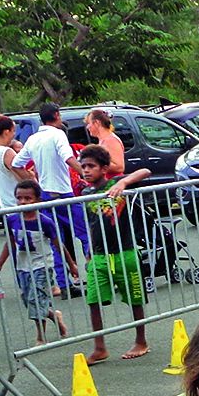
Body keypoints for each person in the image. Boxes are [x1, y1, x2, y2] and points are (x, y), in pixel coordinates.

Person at [75, 144, 152, 363]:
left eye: (92, 166)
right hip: (99, 255)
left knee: (135, 298)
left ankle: (141, 340)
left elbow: (145, 171)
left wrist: (123, 182)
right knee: (93, 300)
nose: (87, 170)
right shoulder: (85, 192)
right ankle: (99, 346)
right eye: (84, 166)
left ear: (104, 167)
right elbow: (92, 224)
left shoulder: (115, 185)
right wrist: (89, 252)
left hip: (124, 252)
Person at [0, 180, 76, 341]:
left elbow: (59, 245)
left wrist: (71, 265)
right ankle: (53, 315)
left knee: (36, 298)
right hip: (23, 266)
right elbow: (9, 244)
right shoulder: (12, 220)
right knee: (28, 299)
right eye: (19, 198)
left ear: (37, 200)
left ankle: (40, 336)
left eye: (28, 198)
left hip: (42, 265)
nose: (23, 202)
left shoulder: (45, 222)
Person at [16, 101, 87, 289]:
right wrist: (84, 173)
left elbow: (17, 162)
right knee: (85, 234)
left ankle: (63, 284)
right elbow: (68, 157)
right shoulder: (58, 134)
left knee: (56, 240)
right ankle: (95, 273)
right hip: (64, 193)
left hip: (46, 195)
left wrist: (32, 179)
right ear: (56, 115)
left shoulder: (32, 139)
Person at [84, 107, 127, 174]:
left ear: (97, 123)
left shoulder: (111, 140)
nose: (87, 127)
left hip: (112, 182)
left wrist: (95, 163)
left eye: (89, 123)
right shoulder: (103, 140)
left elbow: (119, 167)